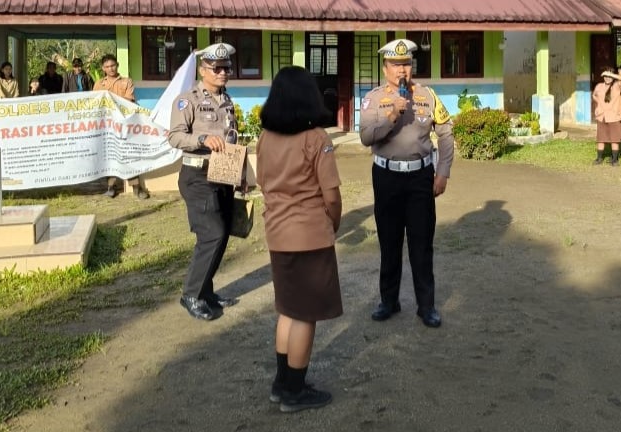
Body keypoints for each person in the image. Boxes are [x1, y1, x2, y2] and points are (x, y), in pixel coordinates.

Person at [256, 66, 343, 413]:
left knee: (288, 310)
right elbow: (331, 196)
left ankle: (282, 384)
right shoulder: (317, 139)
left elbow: (262, 182)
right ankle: (295, 391)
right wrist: (333, 223)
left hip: (277, 233)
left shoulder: (265, 138)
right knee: (306, 315)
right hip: (310, 236)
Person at [359, 38, 454, 328]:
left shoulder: (427, 95)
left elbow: (445, 133)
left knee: (421, 244)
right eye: (396, 64)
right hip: (386, 177)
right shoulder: (373, 99)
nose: (402, 70)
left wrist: (443, 172)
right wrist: (392, 114)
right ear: (385, 68)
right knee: (389, 242)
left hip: (419, 178)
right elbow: (366, 137)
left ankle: (427, 306)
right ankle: (389, 301)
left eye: (407, 64)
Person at [168, 43, 240, 321]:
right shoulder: (188, 100)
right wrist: (201, 139)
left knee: (223, 234)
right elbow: (174, 136)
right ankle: (191, 294)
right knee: (212, 233)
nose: (223, 73)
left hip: (223, 174)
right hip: (197, 175)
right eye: (217, 68)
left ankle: (206, 292)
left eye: (227, 68)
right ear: (203, 70)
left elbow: (232, 138)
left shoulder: (227, 100)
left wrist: (241, 175)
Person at [93, 54, 149, 200]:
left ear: (117, 65)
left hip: (124, 124)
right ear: (103, 68)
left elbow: (129, 100)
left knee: (128, 154)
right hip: (107, 126)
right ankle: (111, 187)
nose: (110, 69)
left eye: (112, 65)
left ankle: (136, 187)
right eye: (107, 67)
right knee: (110, 156)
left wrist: (109, 99)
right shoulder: (98, 84)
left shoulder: (126, 81)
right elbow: (95, 103)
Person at [592, 68, 621, 166]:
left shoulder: (617, 86)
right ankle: (599, 158)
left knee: (614, 139)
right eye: (606, 76)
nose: (607, 78)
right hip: (601, 116)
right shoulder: (599, 86)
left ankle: (614, 160)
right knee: (601, 138)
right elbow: (594, 95)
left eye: (609, 76)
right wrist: (598, 105)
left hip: (613, 116)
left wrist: (611, 74)